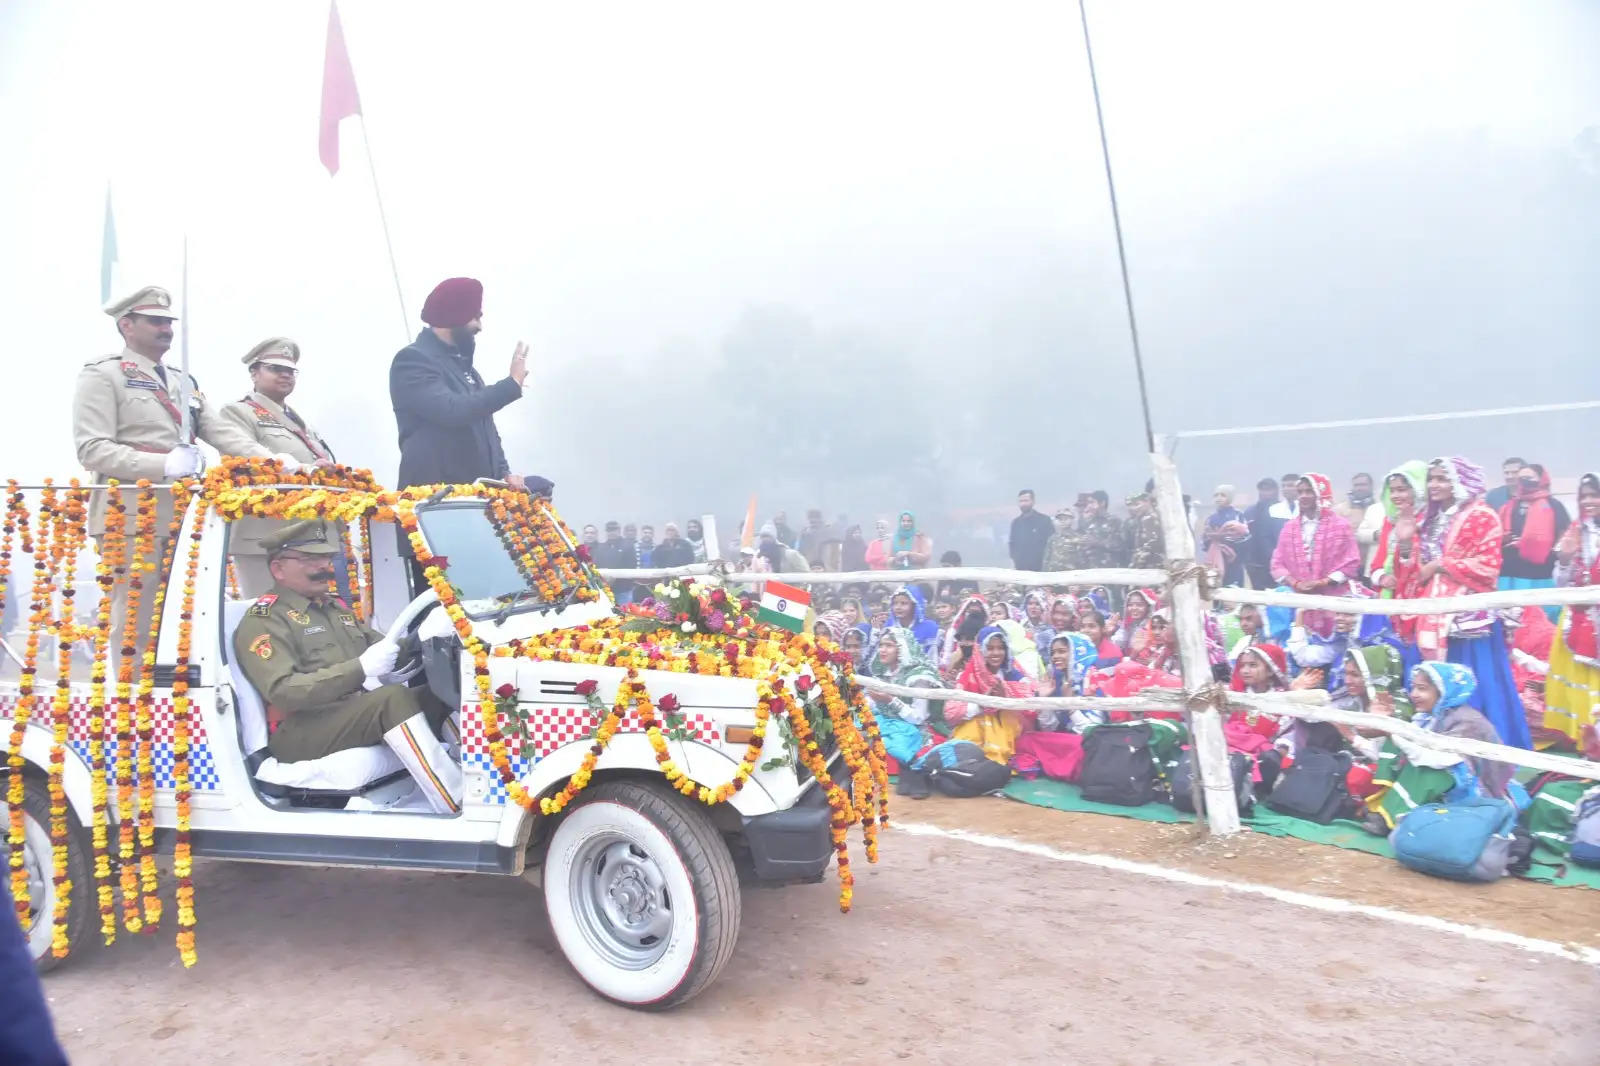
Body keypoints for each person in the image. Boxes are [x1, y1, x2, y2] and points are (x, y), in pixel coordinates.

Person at [74, 286, 273, 669]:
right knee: (137, 615)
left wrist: (270, 458)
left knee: (184, 612)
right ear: (127, 325)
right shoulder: (104, 375)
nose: (165, 329)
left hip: (187, 514)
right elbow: (92, 448)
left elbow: (219, 430)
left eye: (168, 322)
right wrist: (163, 465)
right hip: (131, 513)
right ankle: (134, 707)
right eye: (155, 321)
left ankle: (177, 694)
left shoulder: (183, 380)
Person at [231, 520, 460, 813]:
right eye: (310, 559)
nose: (324, 566)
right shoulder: (265, 620)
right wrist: (360, 669)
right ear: (278, 568)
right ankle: (454, 802)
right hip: (299, 729)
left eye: (326, 558)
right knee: (391, 700)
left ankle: (480, 779)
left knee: (431, 695)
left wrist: (422, 637)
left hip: (344, 715)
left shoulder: (334, 608)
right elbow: (284, 691)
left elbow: (383, 649)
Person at [1393, 456, 1529, 749]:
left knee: (1476, 683)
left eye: (1442, 479)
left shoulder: (1483, 516)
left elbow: (1489, 566)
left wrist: (1442, 565)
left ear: (1460, 482)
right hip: (1430, 614)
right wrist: (1405, 544)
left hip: (1467, 618)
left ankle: (1483, 747)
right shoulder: (1426, 519)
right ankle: (1431, 742)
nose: (1435, 485)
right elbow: (1413, 572)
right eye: (1432, 479)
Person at [220, 337, 341, 596]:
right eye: (275, 369)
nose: (285, 375)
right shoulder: (238, 412)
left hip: (309, 534)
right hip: (265, 536)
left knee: (312, 621)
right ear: (254, 373)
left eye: (290, 371)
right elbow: (243, 463)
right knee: (269, 618)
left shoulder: (299, 420)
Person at [389, 277, 529, 490]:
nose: (480, 326)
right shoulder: (412, 361)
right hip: (436, 506)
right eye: (475, 316)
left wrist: (503, 474)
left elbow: (488, 433)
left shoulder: (469, 372)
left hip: (475, 505)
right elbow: (452, 410)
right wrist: (511, 385)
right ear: (455, 314)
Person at [1362, 662, 1511, 834]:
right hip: (1445, 773)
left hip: (1476, 790)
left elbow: (1440, 759)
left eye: (1422, 689)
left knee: (1433, 770)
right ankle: (1383, 805)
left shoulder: (1467, 721)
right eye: (1413, 688)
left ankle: (1390, 819)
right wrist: (1380, 728)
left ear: (1443, 690)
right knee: (1396, 745)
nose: (1414, 694)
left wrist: (1391, 732)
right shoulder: (1430, 717)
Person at [1270, 474, 1360, 638]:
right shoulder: (1289, 528)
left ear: (1321, 493)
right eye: (1300, 492)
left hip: (1333, 599)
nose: (1303, 496)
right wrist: (1295, 583)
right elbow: (1277, 564)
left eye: (1309, 491)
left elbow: (1352, 563)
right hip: (1300, 601)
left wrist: (1321, 582)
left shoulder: (1341, 526)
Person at [1547, 471, 1600, 750]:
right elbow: (1560, 582)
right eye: (1584, 496)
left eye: (1595, 495)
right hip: (1578, 622)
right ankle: (1585, 743)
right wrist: (1565, 558)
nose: (1589, 501)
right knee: (1580, 686)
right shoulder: (1575, 530)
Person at [944, 624, 1037, 763]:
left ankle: (995, 755)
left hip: (1008, 727)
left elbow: (1030, 708)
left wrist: (1005, 698)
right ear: (980, 650)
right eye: (990, 648)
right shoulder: (968, 675)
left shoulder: (1013, 674)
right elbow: (951, 713)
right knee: (974, 726)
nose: (996, 653)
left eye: (1000, 648)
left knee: (1006, 717)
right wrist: (982, 704)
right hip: (977, 725)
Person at [1497, 463, 1571, 611]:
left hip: (1542, 572)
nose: (1524, 481)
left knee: (1542, 617)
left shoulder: (1554, 505)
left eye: (1529, 477)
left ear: (1541, 479)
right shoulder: (1509, 506)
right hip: (1511, 571)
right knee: (1511, 617)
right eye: (1521, 478)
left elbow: (1564, 534)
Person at [1367, 461, 1428, 597]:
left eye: (1401, 490)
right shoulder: (1390, 521)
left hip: (1422, 593)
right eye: (1392, 490)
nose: (1394, 496)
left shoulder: (1429, 520)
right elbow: (1378, 562)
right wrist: (1382, 577)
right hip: (1392, 593)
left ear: (1418, 490)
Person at [1243, 477, 1287, 590]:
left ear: (1276, 491)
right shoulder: (1250, 512)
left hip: (1279, 563)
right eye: (1262, 490)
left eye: (1269, 489)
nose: (1265, 493)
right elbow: (1245, 537)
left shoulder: (1283, 510)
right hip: (1256, 564)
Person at [1201, 485, 1250, 587]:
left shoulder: (1238, 515)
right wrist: (1212, 538)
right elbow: (1204, 543)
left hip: (1234, 562)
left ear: (1230, 497)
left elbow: (1246, 537)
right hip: (1214, 561)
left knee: (1233, 593)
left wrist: (1225, 539)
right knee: (1216, 591)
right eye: (1216, 495)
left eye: (1223, 495)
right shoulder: (1211, 518)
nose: (1218, 498)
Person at [887, 585, 941, 657]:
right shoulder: (889, 626)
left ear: (915, 605)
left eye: (904, 603)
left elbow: (933, 658)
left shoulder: (930, 628)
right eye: (895, 603)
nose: (898, 607)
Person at [1076, 491, 1126, 569]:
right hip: (1090, 570)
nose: (1089, 506)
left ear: (1102, 503)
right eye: (1088, 503)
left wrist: (1097, 542)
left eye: (1092, 502)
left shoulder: (1114, 521)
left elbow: (1120, 545)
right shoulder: (1089, 522)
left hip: (1109, 570)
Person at [1008, 489, 1054, 572]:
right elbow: (1012, 544)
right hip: (1021, 569)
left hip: (1041, 569)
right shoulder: (1016, 523)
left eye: (1026, 501)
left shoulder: (1044, 520)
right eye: (1021, 501)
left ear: (1033, 502)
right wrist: (1014, 561)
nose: (1023, 504)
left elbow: (1052, 544)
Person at [1125, 492, 1164, 569]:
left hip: (1152, 566)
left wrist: (1136, 564)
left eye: (1137, 504)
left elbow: (1152, 545)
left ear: (1147, 502)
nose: (1134, 508)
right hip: (1150, 565)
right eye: (1132, 505)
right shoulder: (1143, 519)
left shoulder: (1149, 518)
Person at [1043, 507, 1081, 572]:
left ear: (1072, 520)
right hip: (1053, 575)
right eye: (1060, 519)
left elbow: (1081, 560)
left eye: (1066, 519)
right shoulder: (1053, 538)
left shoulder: (1077, 538)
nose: (1063, 521)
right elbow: (1046, 558)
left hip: (1070, 576)